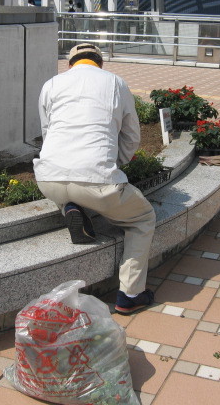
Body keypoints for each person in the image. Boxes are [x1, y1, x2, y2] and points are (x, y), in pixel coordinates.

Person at [33, 43, 156, 315]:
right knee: (143, 219)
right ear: (100, 63)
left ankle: (69, 206)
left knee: (65, 187)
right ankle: (130, 294)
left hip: (48, 179)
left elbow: (47, 130)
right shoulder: (116, 83)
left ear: (70, 63)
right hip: (98, 182)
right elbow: (132, 135)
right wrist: (116, 165)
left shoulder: (52, 84)